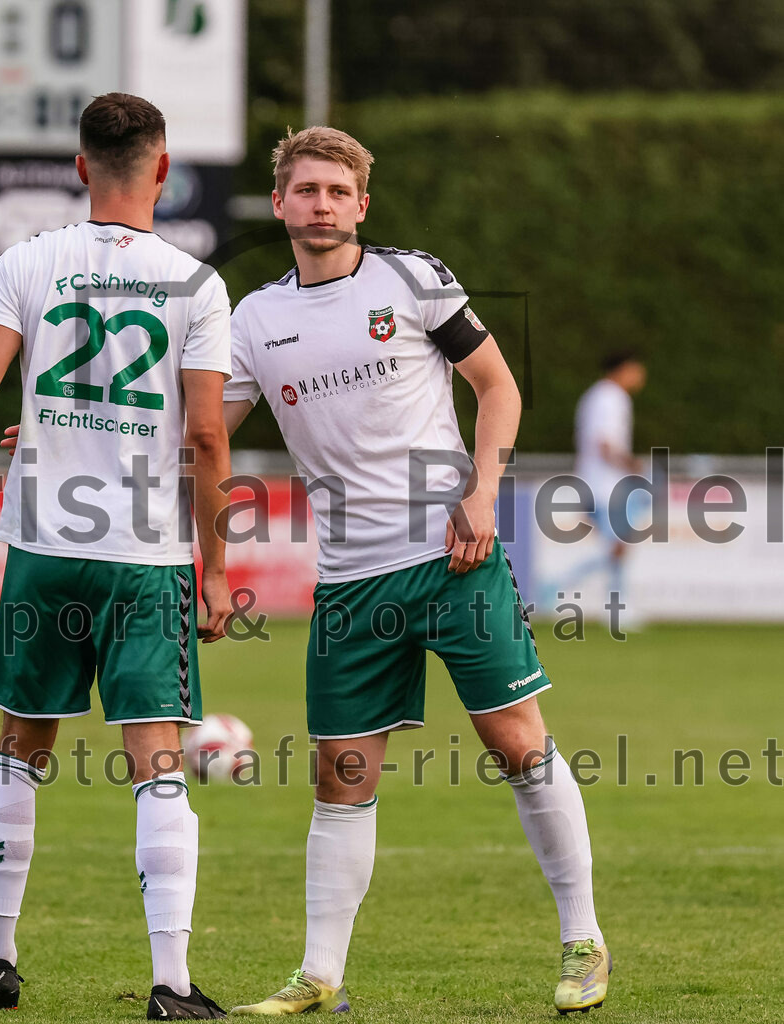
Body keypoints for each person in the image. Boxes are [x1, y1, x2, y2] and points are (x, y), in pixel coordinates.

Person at [221, 127, 610, 1016]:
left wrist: (483, 494)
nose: (321, 203)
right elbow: (201, 432)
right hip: (351, 580)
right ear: (278, 203)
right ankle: (319, 977)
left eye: (337, 191)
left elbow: (497, 386)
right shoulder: (253, 320)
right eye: (305, 189)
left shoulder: (411, 279)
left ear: (362, 204)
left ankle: (583, 940)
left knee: (516, 743)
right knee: (341, 779)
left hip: (450, 556)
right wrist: (56, 436)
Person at [0, 93, 232, 1018]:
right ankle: (170, 983)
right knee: (156, 761)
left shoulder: (27, 262)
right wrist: (216, 565)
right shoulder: (195, 282)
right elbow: (204, 436)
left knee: (19, 752)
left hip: (42, 546)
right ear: (160, 167)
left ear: (80, 165)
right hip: (143, 553)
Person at [571, 350, 648, 618]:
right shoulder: (611, 398)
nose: (641, 375)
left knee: (616, 548)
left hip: (596, 483)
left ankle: (617, 609)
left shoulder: (597, 395)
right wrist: (632, 465)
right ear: (624, 368)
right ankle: (555, 587)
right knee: (616, 549)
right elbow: (605, 444)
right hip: (605, 486)